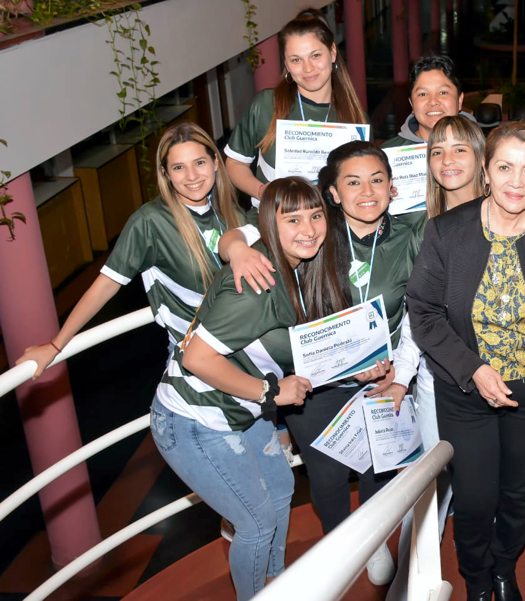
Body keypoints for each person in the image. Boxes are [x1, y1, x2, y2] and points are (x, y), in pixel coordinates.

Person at [220, 141, 424, 586]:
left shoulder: (412, 236)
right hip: (313, 383)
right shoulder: (313, 227)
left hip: (381, 380)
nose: (366, 191)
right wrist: (236, 251)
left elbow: (419, 313)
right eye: (352, 182)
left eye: (376, 180)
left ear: (392, 187)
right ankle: (339, 547)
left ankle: (370, 545)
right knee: (327, 478)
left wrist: (400, 373)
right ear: (332, 192)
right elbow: (238, 235)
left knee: (377, 468)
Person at [406, 121, 525, 601]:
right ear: (486, 172)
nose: (515, 180)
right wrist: (471, 368)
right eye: (504, 167)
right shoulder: (447, 232)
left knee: (517, 496)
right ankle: (477, 578)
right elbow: (423, 313)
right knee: (473, 499)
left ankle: (504, 570)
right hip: (465, 392)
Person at [151, 177, 345, 600]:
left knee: (281, 490)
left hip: (239, 410)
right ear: (271, 224)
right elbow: (196, 359)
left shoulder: (289, 262)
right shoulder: (259, 284)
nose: (308, 229)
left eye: (315, 216)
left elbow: (235, 235)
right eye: (292, 219)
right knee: (256, 524)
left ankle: (274, 584)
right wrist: (270, 394)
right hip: (195, 419)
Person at [17, 122, 244, 376]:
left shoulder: (230, 212)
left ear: (215, 161)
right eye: (179, 167)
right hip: (198, 365)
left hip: (247, 349)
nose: (192, 176)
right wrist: (55, 346)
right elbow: (105, 286)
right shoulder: (150, 222)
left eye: (199, 162)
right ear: (166, 173)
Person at [385, 115, 487, 601]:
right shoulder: (425, 224)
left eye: (459, 149)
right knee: (426, 487)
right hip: (436, 380)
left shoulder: (504, 214)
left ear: (480, 158)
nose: (447, 160)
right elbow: (417, 313)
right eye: (436, 151)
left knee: (479, 490)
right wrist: (404, 376)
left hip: (496, 385)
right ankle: (411, 582)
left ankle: (483, 580)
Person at [224, 9, 367, 206]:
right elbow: (235, 163)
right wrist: (262, 191)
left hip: (333, 223)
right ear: (287, 65)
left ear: (332, 52)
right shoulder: (267, 105)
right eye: (296, 60)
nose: (307, 68)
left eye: (315, 55)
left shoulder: (356, 118)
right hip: (273, 221)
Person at [382, 55, 473, 149]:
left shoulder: (483, 150)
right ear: (412, 103)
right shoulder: (390, 153)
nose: (433, 102)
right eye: (423, 94)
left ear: (459, 100)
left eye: (443, 92)